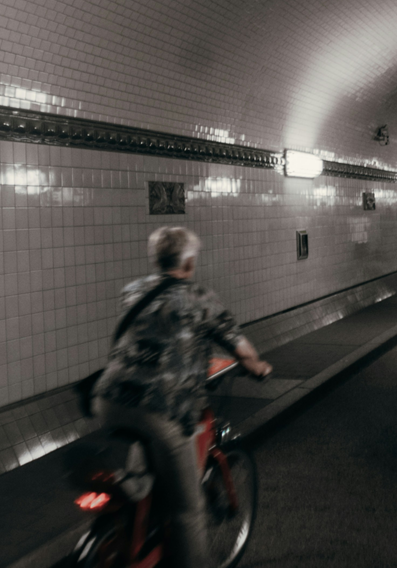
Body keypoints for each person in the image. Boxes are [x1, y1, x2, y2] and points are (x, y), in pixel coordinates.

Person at [90, 226, 272, 568]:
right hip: (162, 408)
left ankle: (136, 493)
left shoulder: (131, 292)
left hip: (109, 399)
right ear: (188, 261)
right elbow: (239, 345)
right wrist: (257, 365)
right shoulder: (199, 297)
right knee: (189, 510)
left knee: (148, 452)